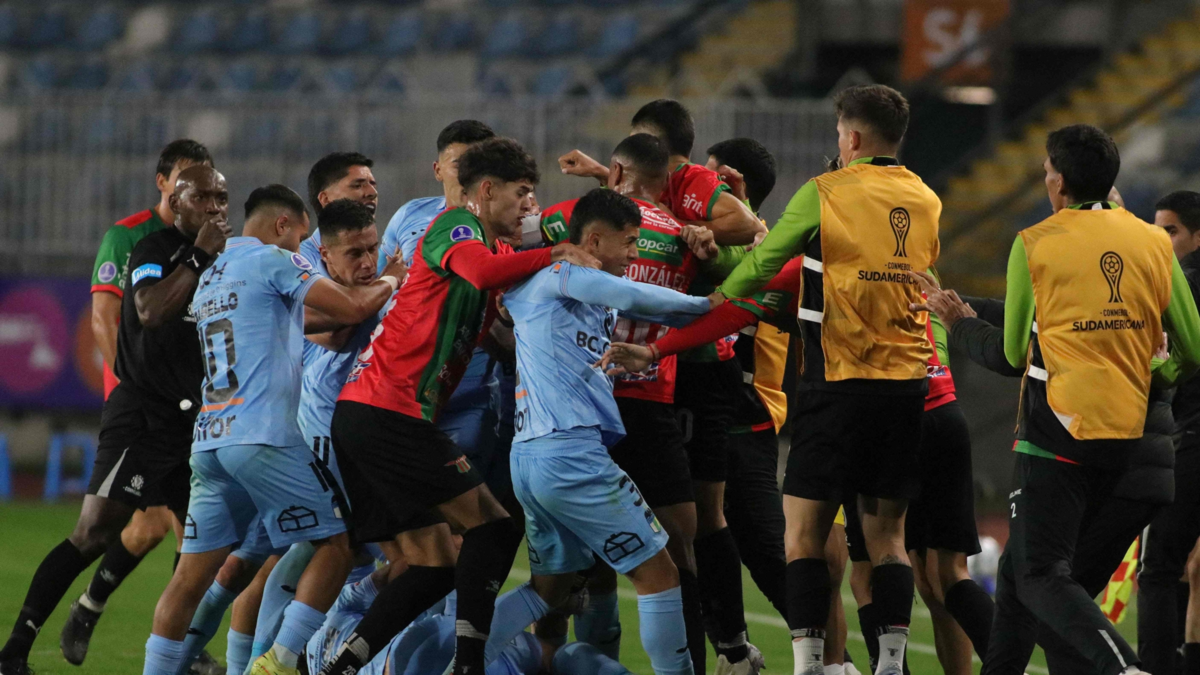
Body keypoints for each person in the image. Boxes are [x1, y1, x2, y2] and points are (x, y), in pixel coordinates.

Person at [320, 138, 599, 675]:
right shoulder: (458, 225)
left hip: (369, 415)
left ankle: (341, 667)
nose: (528, 206)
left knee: (433, 565)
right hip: (386, 411)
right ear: (487, 190)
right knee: (494, 524)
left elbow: (505, 299)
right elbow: (484, 272)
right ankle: (468, 664)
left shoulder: (494, 246)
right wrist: (558, 251)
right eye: (521, 194)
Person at [929, 124, 1200, 675]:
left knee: (1039, 576)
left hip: (1058, 440)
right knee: (1019, 590)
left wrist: (958, 323)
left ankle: (1123, 668)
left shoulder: (1035, 243)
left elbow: (1009, 357)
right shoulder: (1151, 241)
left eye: (1048, 169)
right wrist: (1155, 368)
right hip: (1132, 447)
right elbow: (1192, 348)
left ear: (1059, 181)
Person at [710, 84, 939, 675]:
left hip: (837, 382)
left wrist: (717, 300)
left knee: (805, 534)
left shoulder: (826, 191)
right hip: (908, 385)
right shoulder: (926, 198)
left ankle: (812, 665)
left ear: (853, 137)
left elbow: (766, 261)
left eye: (840, 134)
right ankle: (891, 663)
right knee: (888, 537)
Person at [141, 184, 407, 675]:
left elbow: (317, 324)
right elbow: (348, 309)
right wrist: (390, 279)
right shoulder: (271, 260)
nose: (301, 250)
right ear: (283, 226)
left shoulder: (213, 274)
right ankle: (280, 663)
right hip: (261, 436)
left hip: (211, 442)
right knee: (336, 544)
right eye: (300, 237)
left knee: (188, 580)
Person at [0, 164, 231, 675]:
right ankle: (14, 649)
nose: (216, 208)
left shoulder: (226, 262)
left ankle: (179, 651)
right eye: (205, 198)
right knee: (93, 533)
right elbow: (149, 310)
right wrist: (197, 256)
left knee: (203, 542)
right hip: (143, 418)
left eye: (223, 198)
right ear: (177, 198)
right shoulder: (153, 251)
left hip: (193, 426)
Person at [506, 187, 715, 675]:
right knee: (659, 570)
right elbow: (637, 296)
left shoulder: (564, 290)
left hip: (535, 454)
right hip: (570, 453)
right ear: (595, 241)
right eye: (629, 243)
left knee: (550, 591)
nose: (636, 254)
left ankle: (460, 660)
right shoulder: (562, 273)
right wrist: (710, 304)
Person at [57, 139, 217, 671]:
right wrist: (130, 385)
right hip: (142, 399)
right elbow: (106, 316)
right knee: (161, 526)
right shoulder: (130, 237)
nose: (196, 194)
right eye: (183, 182)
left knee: (176, 528)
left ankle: (103, 613)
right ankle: (168, 644)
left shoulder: (206, 241)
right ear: (164, 183)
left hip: (183, 404)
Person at [1137, 190, 1200, 674]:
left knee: (1159, 567)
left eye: (1170, 230)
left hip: (1191, 442)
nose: (1160, 240)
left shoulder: (1184, 288)